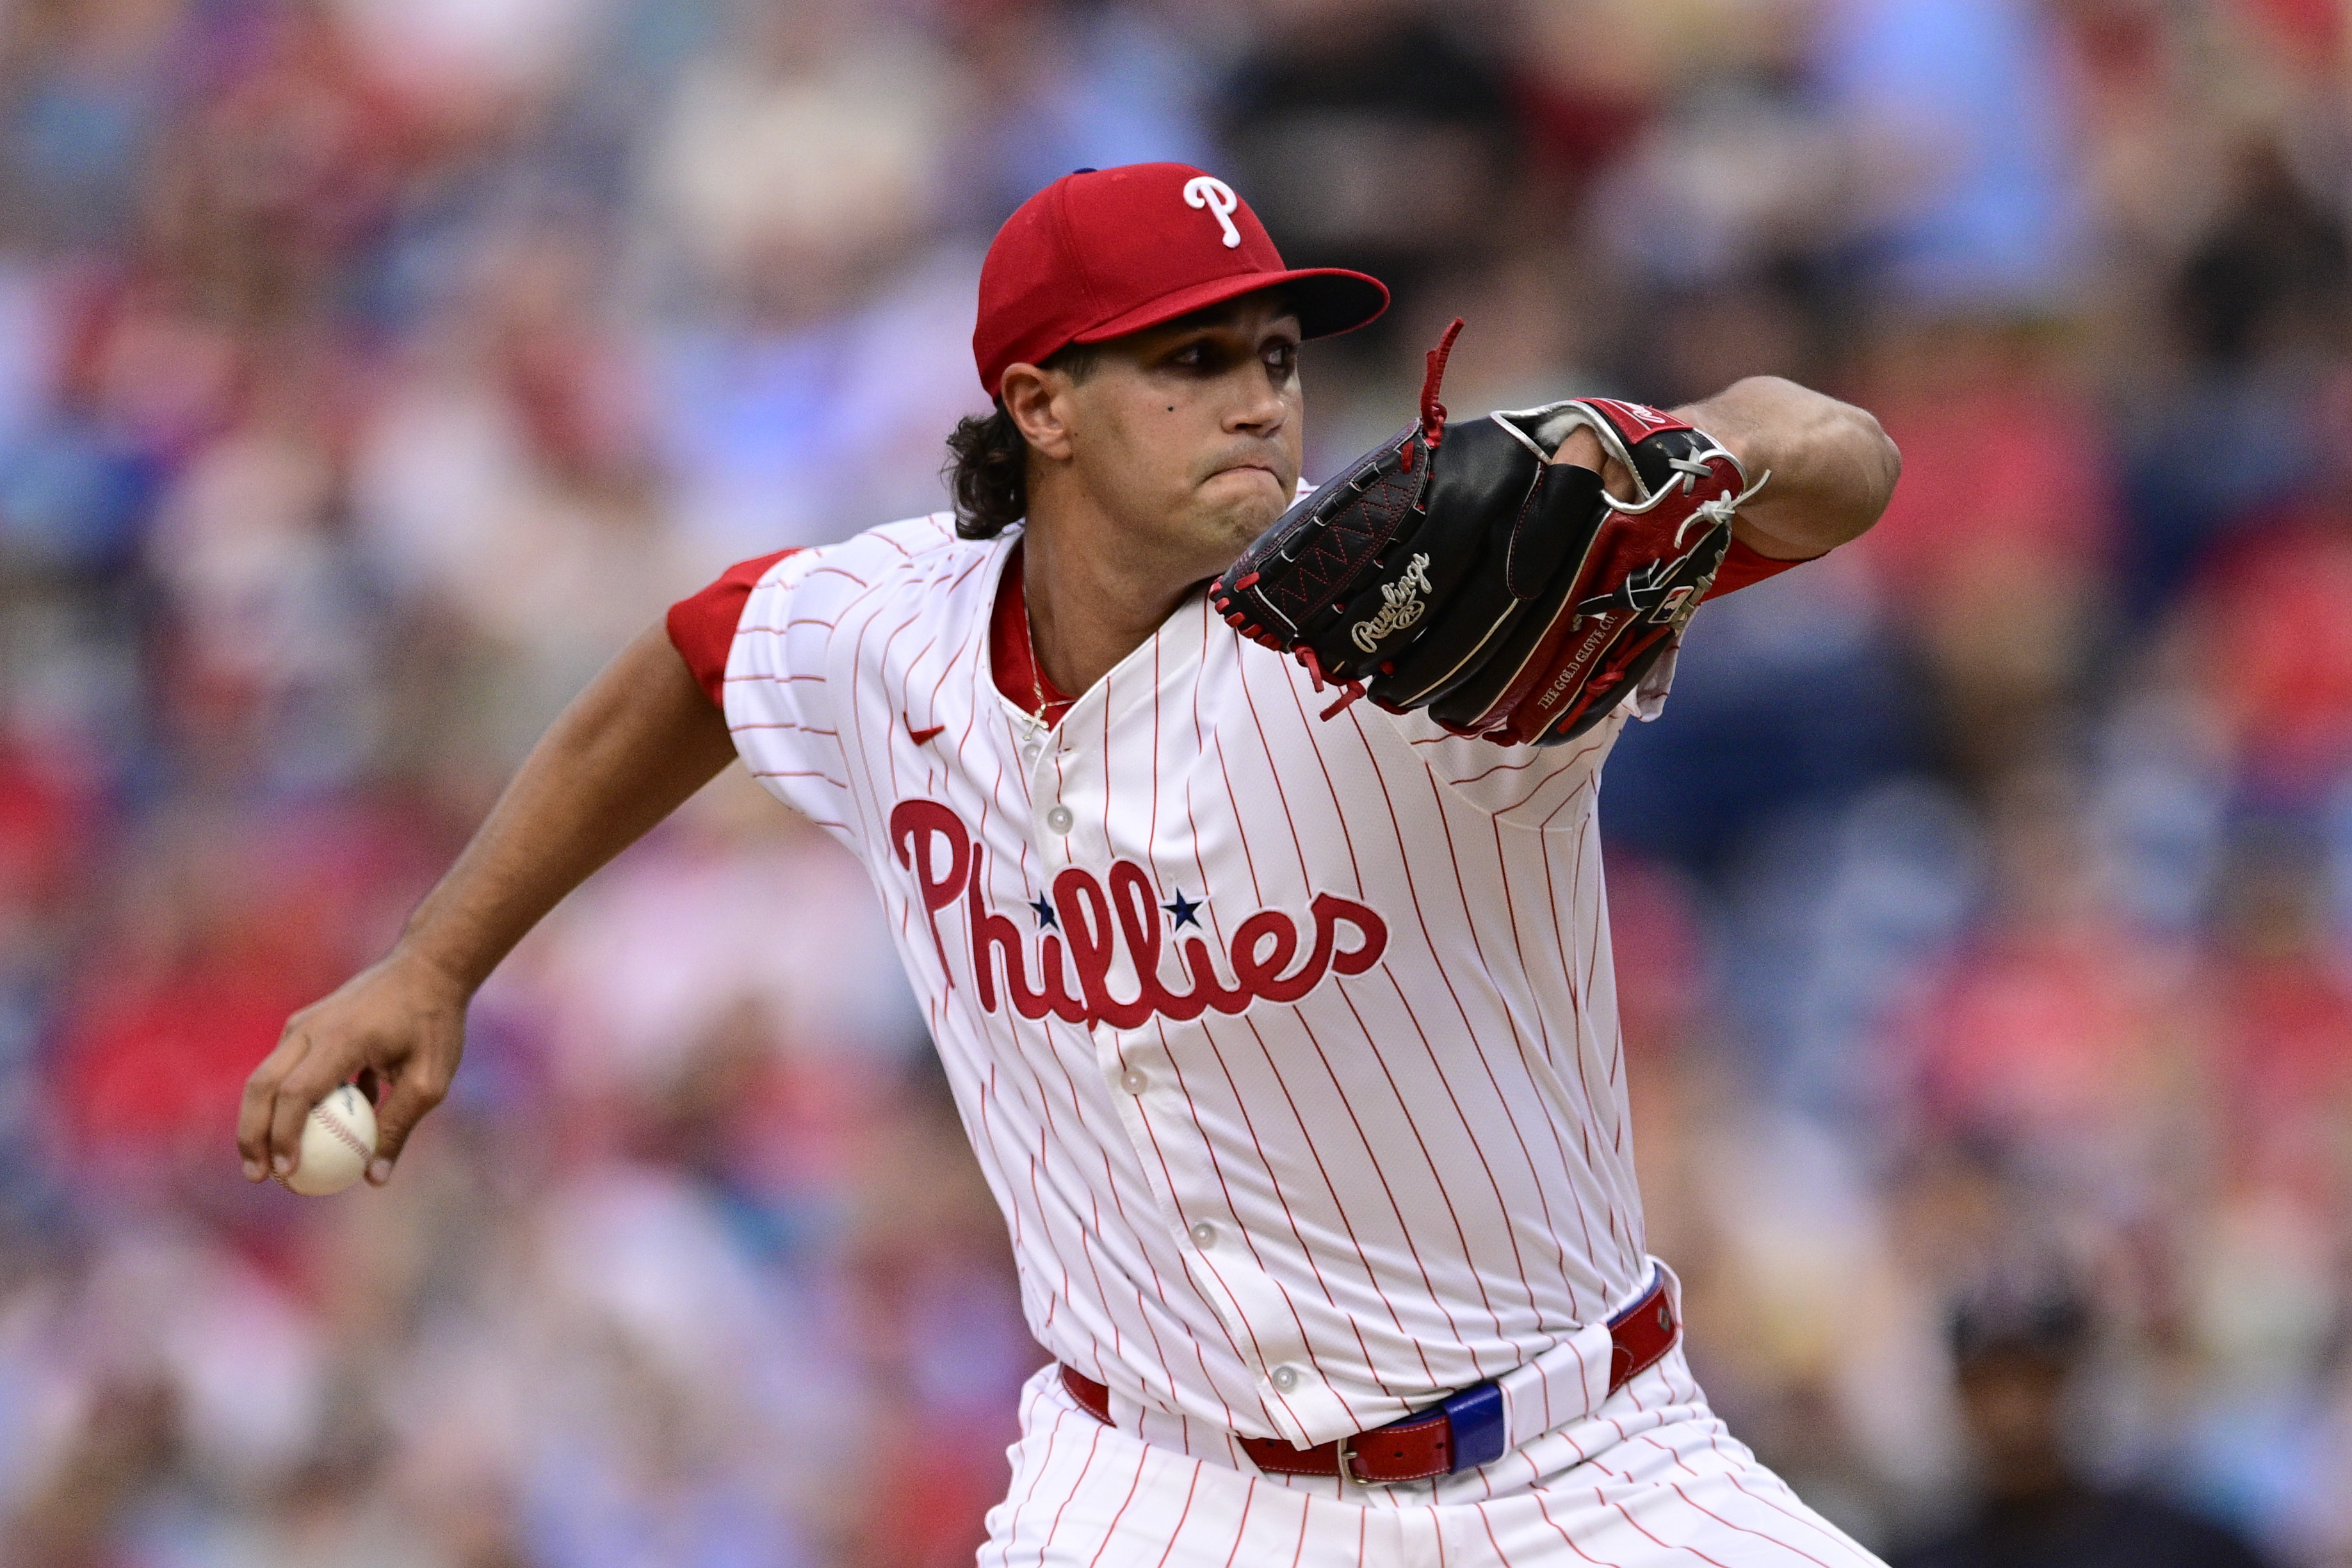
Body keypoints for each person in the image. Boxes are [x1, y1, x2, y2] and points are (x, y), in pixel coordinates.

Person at [240, 163, 1902, 1564]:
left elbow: (1841, 464)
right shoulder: (893, 633)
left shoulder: (1427, 631)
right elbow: (694, 661)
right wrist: (438, 962)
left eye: (1274, 351)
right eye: (1191, 358)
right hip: (1156, 1487)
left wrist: (1698, 451)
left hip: (1574, 1468)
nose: (1261, 394)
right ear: (1038, 404)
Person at [1895, 1288, 2275, 1568]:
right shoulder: (1920, 1558)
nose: (2014, 1414)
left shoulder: (2188, 1549)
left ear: (2084, 1385)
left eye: (2039, 1381)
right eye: (1987, 1386)